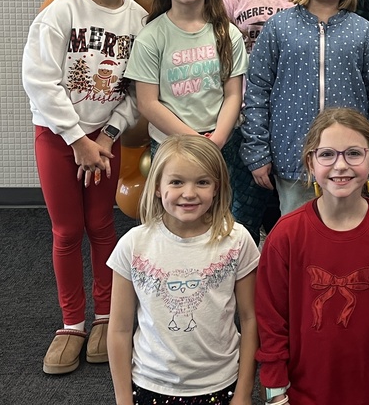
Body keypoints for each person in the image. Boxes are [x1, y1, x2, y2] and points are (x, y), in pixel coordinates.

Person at [23, 0, 147, 375]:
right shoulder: (60, 12)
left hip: (104, 141)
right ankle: (71, 323)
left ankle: (104, 316)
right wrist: (76, 140)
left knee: (100, 225)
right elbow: (39, 79)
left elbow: (135, 89)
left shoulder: (138, 19)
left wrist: (106, 138)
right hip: (59, 139)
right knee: (67, 230)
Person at [256, 108, 369, 405]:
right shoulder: (286, 235)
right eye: (327, 154)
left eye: (353, 153)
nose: (340, 166)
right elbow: (271, 321)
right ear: (310, 162)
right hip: (299, 395)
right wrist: (276, 392)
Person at [241, 0, 369, 215]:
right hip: (292, 160)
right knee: (299, 242)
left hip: (350, 164)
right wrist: (257, 151)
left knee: (346, 243)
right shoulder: (280, 27)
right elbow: (256, 91)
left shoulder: (361, 30)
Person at [107, 135, 259, 405]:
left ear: (217, 187)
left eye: (202, 182)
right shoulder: (133, 245)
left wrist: (244, 392)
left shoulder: (237, 241)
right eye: (176, 182)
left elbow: (250, 319)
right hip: (150, 385)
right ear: (156, 186)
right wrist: (122, 399)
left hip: (221, 384)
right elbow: (119, 329)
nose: (189, 193)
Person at [124, 0, 248, 188]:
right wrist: (196, 141)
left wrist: (217, 140)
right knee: (180, 211)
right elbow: (148, 103)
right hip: (172, 143)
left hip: (223, 141)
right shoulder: (151, 37)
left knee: (222, 212)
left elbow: (233, 95)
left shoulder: (228, 33)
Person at [221, 0, 307, 241]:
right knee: (243, 209)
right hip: (244, 113)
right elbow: (218, 51)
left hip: (294, 115)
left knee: (293, 210)